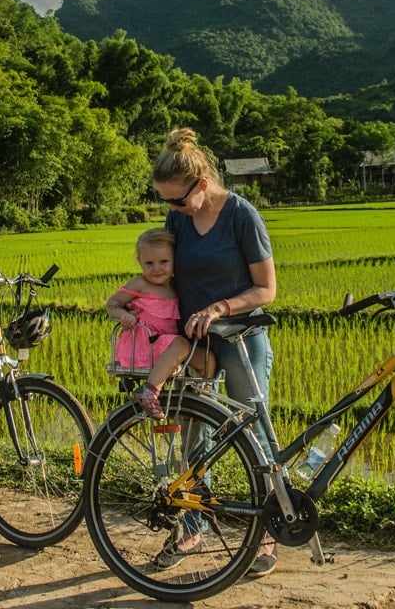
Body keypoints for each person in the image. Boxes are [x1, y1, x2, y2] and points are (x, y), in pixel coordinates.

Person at [148, 127, 279, 578]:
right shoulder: (179, 220)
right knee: (193, 435)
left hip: (242, 339)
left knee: (254, 433)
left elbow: (267, 289)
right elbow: (164, 271)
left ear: (201, 184)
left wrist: (221, 306)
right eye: (165, 201)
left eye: (178, 200)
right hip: (197, 344)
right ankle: (191, 526)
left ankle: (264, 535)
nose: (173, 209)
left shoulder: (242, 215)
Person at [105, 227, 215, 419]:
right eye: (149, 263)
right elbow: (112, 304)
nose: (157, 268)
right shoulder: (140, 284)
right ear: (140, 263)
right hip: (144, 344)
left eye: (164, 262)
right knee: (181, 344)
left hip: (166, 345)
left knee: (208, 359)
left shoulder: (176, 285)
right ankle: (149, 391)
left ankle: (200, 401)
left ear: (175, 260)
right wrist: (124, 315)